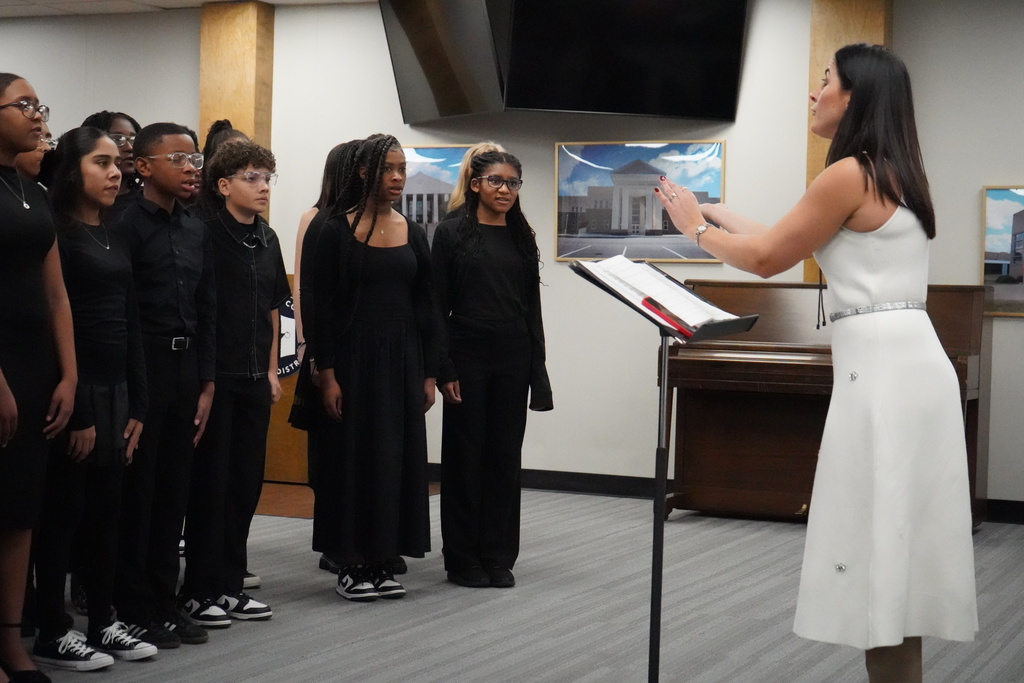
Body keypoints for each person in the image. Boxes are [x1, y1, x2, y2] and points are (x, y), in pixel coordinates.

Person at [654, 43, 978, 682]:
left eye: (824, 80)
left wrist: (696, 230)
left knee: (879, 547)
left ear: (854, 96)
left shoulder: (848, 172)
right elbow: (791, 236)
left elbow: (769, 258)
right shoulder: (893, 169)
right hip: (910, 363)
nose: (814, 92)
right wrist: (715, 211)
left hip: (883, 374)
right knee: (898, 555)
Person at [31, 127, 157, 672]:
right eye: (101, 163)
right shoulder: (54, 230)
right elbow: (55, 324)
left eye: (117, 163)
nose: (116, 172)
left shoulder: (113, 231)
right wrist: (80, 408)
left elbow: (130, 320)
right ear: (72, 170)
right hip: (73, 395)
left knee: (109, 514)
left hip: (117, 392)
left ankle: (103, 619)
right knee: (64, 515)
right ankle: (53, 630)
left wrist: (138, 405)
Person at [309, 134, 436, 601]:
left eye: (402, 169)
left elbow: (426, 305)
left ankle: (384, 557)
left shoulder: (413, 230)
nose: (398, 178)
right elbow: (320, 307)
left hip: (403, 358)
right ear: (365, 173)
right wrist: (327, 373)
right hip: (352, 359)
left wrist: (428, 372)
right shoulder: (332, 230)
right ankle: (351, 561)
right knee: (353, 458)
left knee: (396, 458)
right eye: (389, 169)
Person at [113, 122, 214, 649]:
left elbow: (207, 308)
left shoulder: (197, 228)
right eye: (179, 159)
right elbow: (122, 313)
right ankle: (131, 605)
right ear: (145, 167)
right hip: (143, 366)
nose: (191, 168)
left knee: (175, 490)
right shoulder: (124, 223)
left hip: (186, 368)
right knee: (140, 492)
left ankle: (163, 601)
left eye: (195, 159)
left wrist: (208, 380)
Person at [431, 150, 553, 589]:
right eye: (496, 181)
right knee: (465, 458)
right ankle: (462, 557)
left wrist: (538, 370)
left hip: (513, 355)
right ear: (476, 184)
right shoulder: (449, 235)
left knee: (504, 457)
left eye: (513, 183)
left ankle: (498, 555)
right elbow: (435, 307)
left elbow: (532, 311)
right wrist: (443, 368)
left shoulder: (522, 237)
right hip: (466, 353)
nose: (505, 190)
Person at [179, 140, 289, 624]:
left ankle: (230, 583)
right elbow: (198, 311)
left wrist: (270, 371)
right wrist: (204, 382)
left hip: (252, 379)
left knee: (245, 485)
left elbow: (273, 309)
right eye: (252, 177)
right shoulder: (203, 233)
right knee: (211, 485)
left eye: (267, 177)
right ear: (223, 185)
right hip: (215, 378)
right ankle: (199, 589)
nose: (263, 186)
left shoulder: (268, 238)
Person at [0, 72, 76, 683]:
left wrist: (69, 374)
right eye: (22, 103)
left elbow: (56, 294)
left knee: (21, 509)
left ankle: (11, 640)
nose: (36, 114)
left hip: (36, 366)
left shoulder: (34, 192)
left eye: (37, 104)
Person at [80, 111, 143, 222]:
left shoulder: (147, 202)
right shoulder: (79, 205)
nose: (129, 147)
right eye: (118, 139)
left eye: (133, 140)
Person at [445, 141, 505, 217]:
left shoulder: (514, 220)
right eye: (494, 181)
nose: (504, 189)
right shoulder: (453, 223)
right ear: (474, 183)